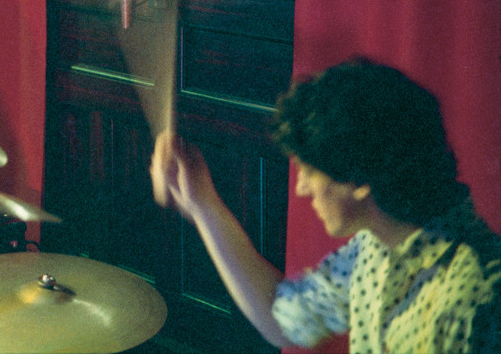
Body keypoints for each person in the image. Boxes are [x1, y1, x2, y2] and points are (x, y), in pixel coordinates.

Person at [150, 57, 501, 353]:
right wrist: (202, 204)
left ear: (359, 179)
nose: (301, 188)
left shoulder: (473, 295)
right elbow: (283, 319)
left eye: (309, 171)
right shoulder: (376, 247)